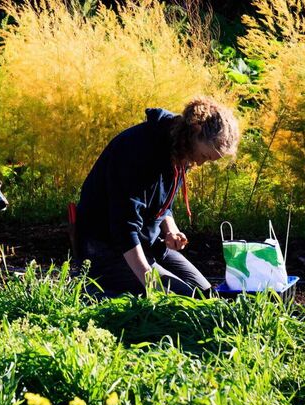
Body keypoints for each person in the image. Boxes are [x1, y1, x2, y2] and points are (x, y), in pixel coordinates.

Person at [75, 96, 240, 296]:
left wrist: (170, 229)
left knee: (207, 294)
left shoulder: (181, 149)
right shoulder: (138, 151)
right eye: (205, 156)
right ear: (195, 130)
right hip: (107, 248)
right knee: (187, 300)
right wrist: (149, 281)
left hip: (149, 244)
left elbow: (160, 203)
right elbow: (124, 226)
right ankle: (96, 290)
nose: (200, 163)